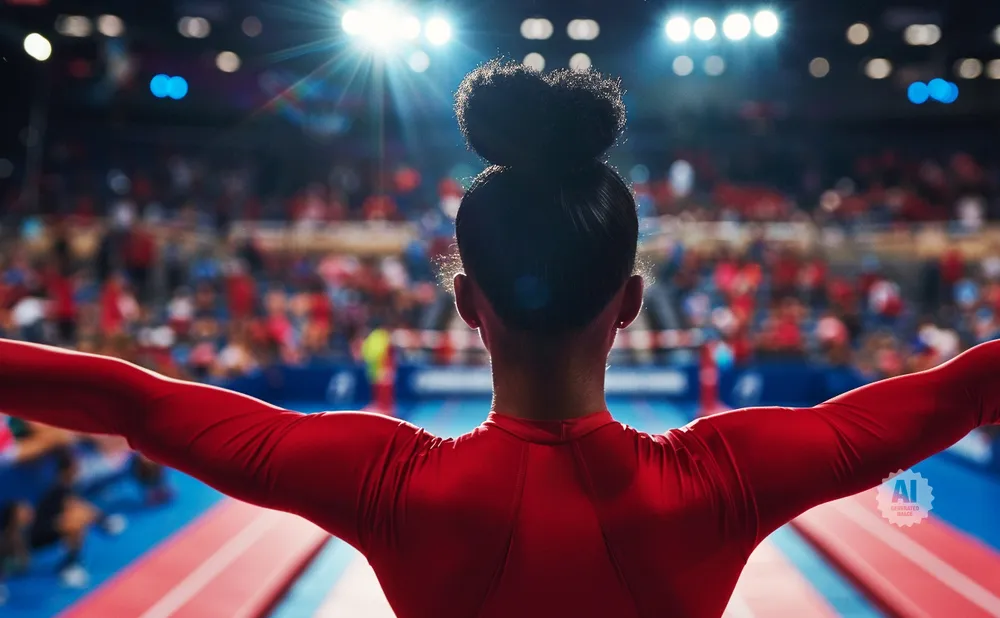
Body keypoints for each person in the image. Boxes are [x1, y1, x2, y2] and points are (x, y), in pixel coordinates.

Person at [0, 60, 999, 617]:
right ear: (632, 303)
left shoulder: (386, 482)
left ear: (468, 304)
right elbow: (959, 392)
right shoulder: (725, 476)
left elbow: (127, 400)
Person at [26, 449, 126, 588]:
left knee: (80, 510)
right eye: (75, 466)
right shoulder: (55, 489)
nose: (79, 469)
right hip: (35, 536)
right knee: (76, 519)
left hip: (50, 526)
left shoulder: (66, 487)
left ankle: (105, 522)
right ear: (68, 470)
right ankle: (70, 565)